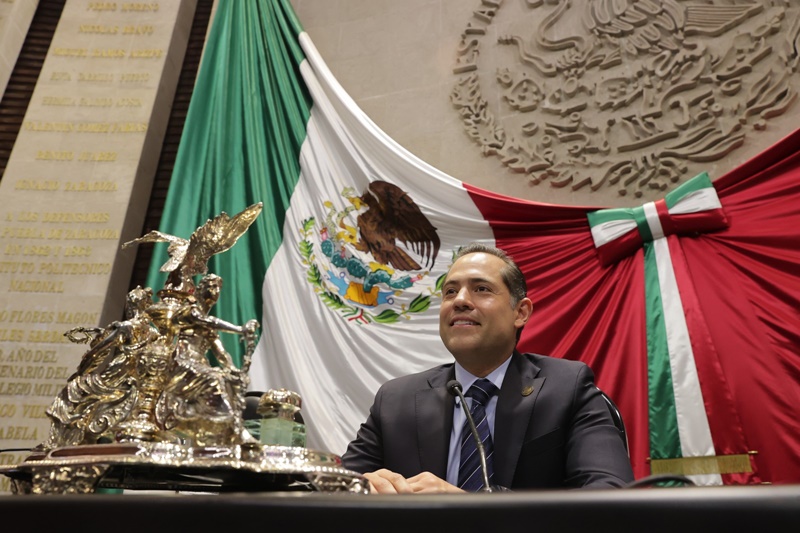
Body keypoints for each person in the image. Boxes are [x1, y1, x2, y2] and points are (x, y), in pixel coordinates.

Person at [341, 242, 634, 493]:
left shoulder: (568, 388)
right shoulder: (395, 401)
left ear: (520, 312)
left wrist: (469, 509)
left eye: (481, 289)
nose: (460, 301)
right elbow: (332, 492)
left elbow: (609, 494)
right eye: (450, 291)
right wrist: (362, 487)